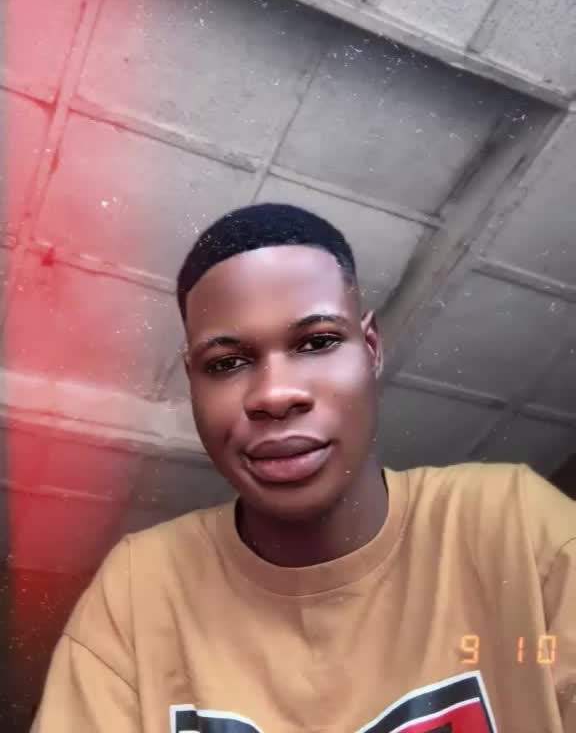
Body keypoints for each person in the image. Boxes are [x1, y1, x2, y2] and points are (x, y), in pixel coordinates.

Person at [31, 203, 576, 732]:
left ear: (370, 348)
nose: (274, 395)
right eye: (227, 363)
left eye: (317, 342)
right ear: (193, 381)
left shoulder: (515, 525)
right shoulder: (141, 588)